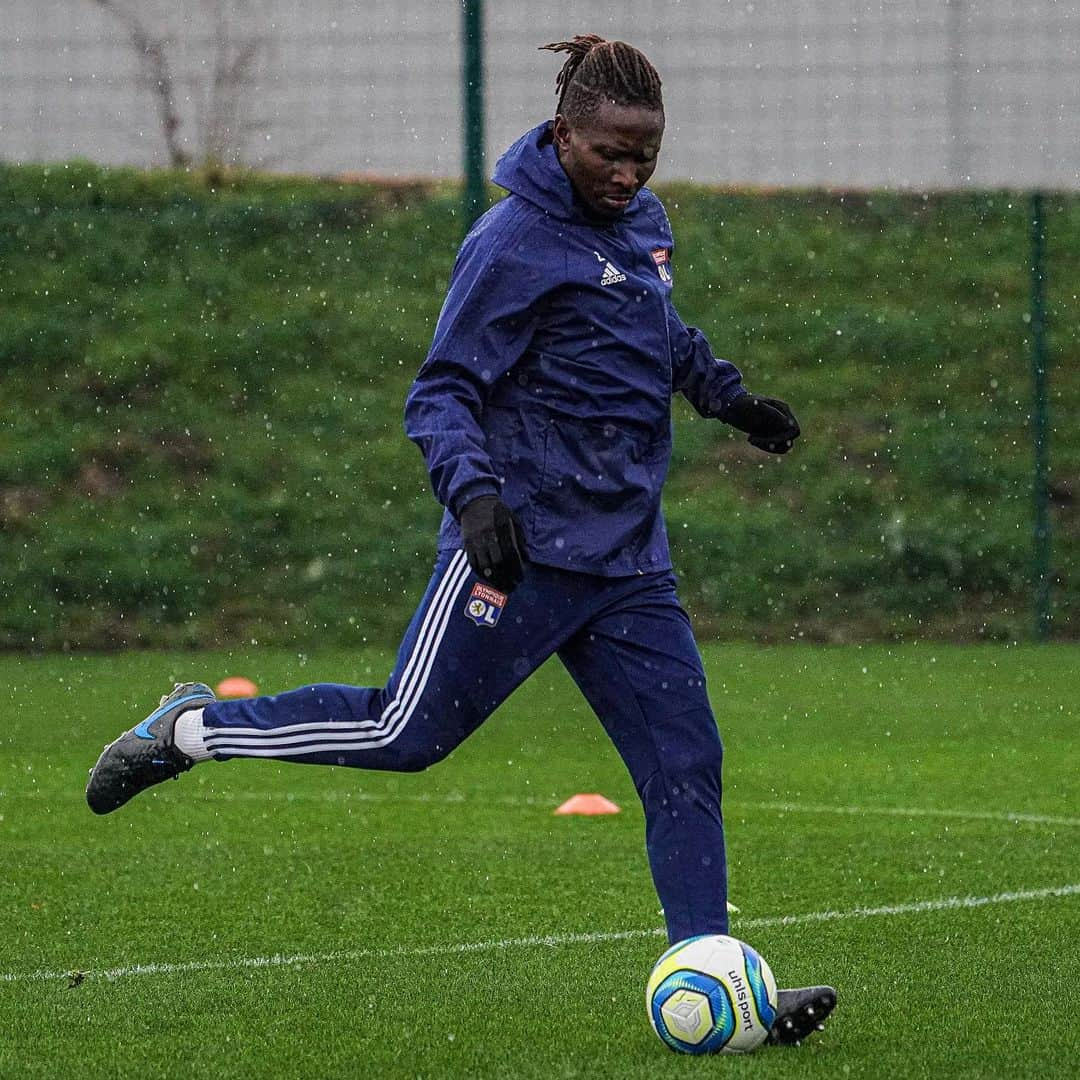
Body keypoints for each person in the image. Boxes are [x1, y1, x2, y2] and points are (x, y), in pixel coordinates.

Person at [86, 34, 835, 1045]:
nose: (628, 175)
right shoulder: (511, 241)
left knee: (685, 762)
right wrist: (476, 498)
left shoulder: (641, 225)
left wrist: (729, 398)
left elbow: (657, 331)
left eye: (644, 158)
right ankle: (190, 730)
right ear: (563, 133)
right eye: (610, 153)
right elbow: (441, 390)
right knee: (405, 734)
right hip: (518, 551)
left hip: (626, 564)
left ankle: (720, 981)